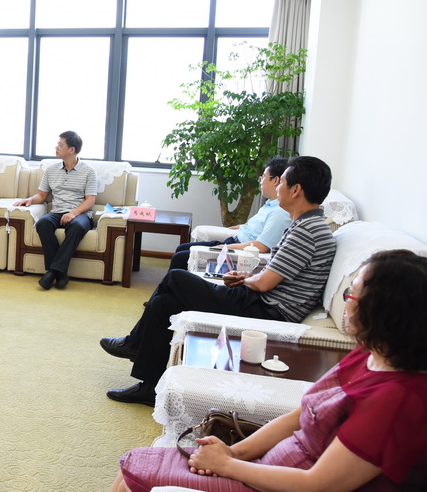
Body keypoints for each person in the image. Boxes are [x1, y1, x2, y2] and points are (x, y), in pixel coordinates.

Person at [88, 249, 427, 492]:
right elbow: (298, 416)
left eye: (351, 294)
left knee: (139, 473)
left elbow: (318, 488)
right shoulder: (369, 355)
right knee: (135, 463)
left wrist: (228, 466)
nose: (346, 303)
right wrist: (234, 453)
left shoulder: (397, 401)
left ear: (384, 311)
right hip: (276, 470)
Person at [100, 156, 336, 405]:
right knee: (164, 304)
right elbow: (273, 275)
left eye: (283, 183)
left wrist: (248, 281)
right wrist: (248, 277)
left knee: (176, 277)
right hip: (261, 300)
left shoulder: (306, 232)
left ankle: (134, 343)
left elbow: (265, 284)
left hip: (266, 309)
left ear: (296, 190)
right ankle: (149, 386)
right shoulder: (307, 225)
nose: (278, 189)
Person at [169, 157, 291, 270]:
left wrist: (226, 247)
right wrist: (243, 226)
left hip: (239, 249)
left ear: (275, 180)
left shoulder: (280, 213)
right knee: (181, 248)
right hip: (234, 241)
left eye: (263, 177)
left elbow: (261, 246)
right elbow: (260, 226)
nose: (260, 182)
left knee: (179, 258)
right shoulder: (270, 204)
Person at [13, 130, 98, 290]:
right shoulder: (51, 170)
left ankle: (52, 272)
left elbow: (90, 200)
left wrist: (73, 213)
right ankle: (60, 274)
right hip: (57, 212)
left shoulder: (89, 171)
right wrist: (29, 200)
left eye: (60, 145)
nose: (56, 147)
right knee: (42, 224)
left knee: (77, 226)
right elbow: (42, 195)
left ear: (71, 149)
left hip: (80, 214)